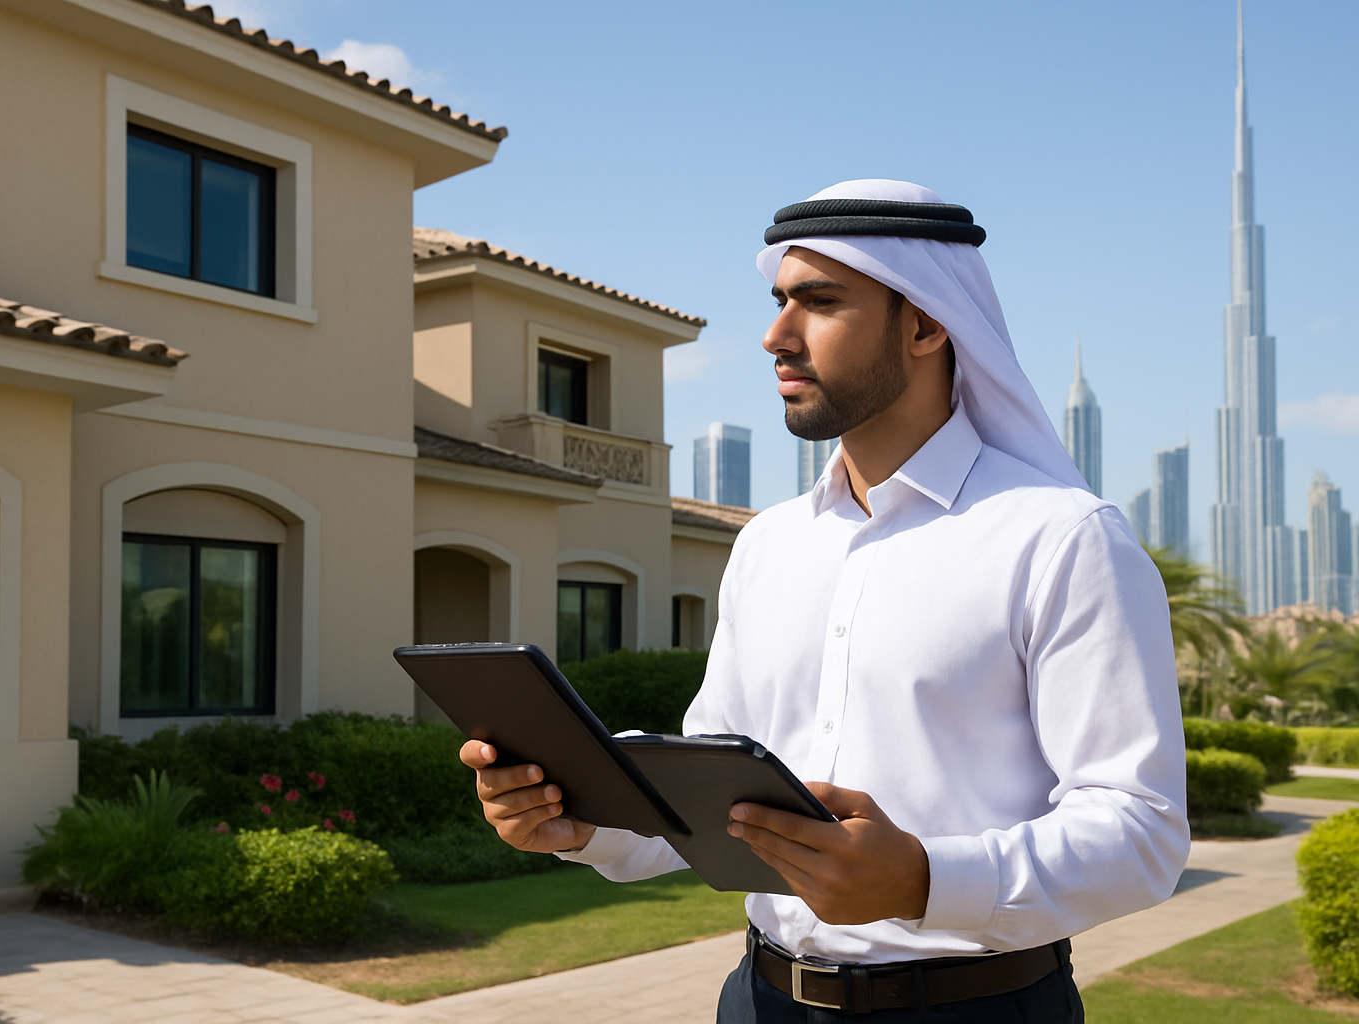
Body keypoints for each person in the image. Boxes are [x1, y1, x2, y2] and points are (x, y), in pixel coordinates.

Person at [460, 179, 1188, 1022]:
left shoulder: (1060, 537)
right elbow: (710, 784)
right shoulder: (769, 546)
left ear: (924, 322)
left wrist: (922, 878)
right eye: (778, 302)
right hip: (759, 1000)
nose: (776, 336)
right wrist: (580, 821)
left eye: (819, 302)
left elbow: (1141, 831)